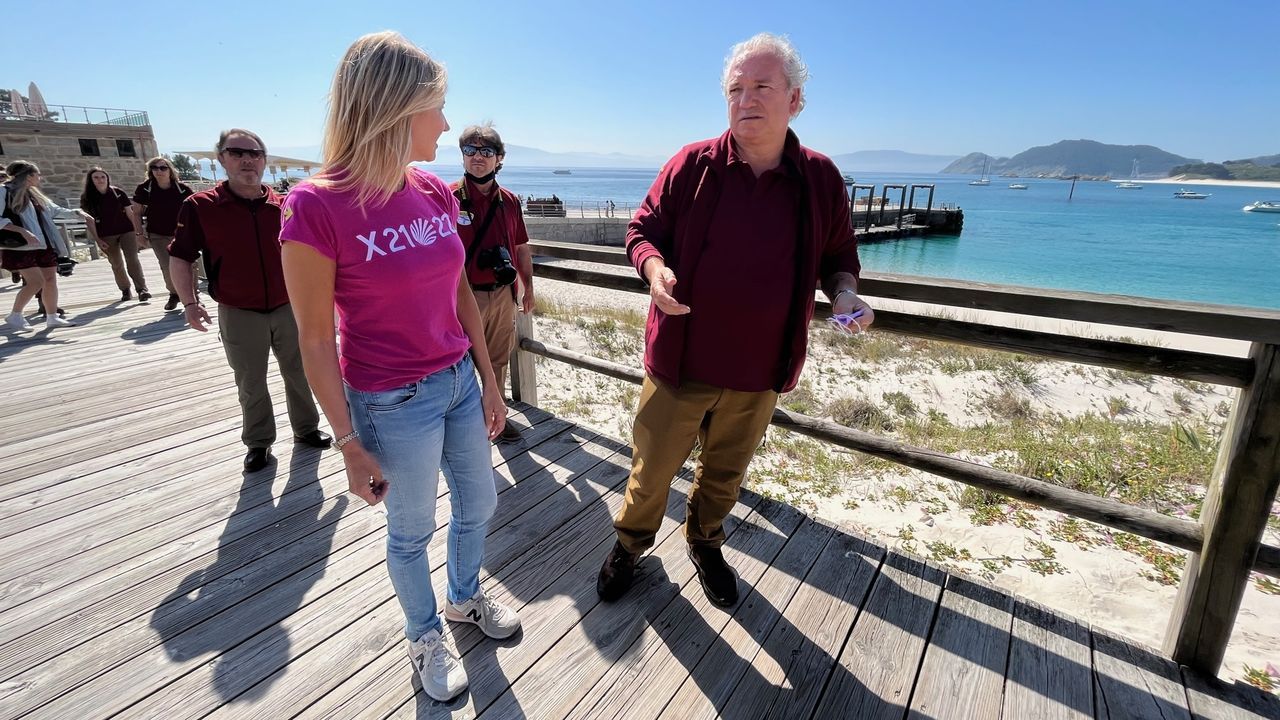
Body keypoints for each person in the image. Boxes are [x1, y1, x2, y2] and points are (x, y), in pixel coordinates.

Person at [279, 32, 520, 703]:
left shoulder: (433, 192)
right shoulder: (314, 205)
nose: (447, 124)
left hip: (457, 384)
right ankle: (424, 637)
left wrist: (489, 379)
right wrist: (348, 443)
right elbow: (313, 339)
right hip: (390, 400)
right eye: (437, 108)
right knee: (411, 530)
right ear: (395, 108)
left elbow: (460, 292)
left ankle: (462, 599)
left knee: (481, 502)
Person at [596, 33, 876, 608]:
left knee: (723, 476)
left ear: (795, 100)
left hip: (760, 370)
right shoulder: (692, 164)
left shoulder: (820, 178)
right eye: (735, 89)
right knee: (651, 472)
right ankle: (631, 543)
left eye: (762, 87)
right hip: (681, 361)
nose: (746, 99)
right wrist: (654, 272)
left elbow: (839, 256)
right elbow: (642, 231)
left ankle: (705, 542)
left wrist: (845, 294)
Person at [168, 128, 331, 472]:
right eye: (237, 152)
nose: (247, 160)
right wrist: (189, 303)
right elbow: (181, 256)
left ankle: (307, 430)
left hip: (290, 306)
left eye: (255, 154)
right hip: (238, 309)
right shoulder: (200, 207)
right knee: (250, 381)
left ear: (264, 161)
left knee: (300, 372)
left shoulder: (284, 206)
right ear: (222, 158)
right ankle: (259, 443)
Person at [451, 124, 534, 442]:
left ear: (499, 159)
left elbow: (522, 248)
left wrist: (528, 287)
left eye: (486, 151)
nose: (477, 157)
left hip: (501, 294)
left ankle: (496, 418)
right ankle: (463, 425)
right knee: (457, 361)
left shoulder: (510, 202)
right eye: (469, 150)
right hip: (460, 294)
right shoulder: (448, 197)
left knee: (497, 359)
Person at [1, 161, 89, 331]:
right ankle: (15, 315)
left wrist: (77, 213)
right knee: (36, 282)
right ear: (28, 176)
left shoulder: (34, 194)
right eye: (37, 174)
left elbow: (54, 210)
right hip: (21, 246)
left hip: (43, 243)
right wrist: (22, 231)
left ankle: (52, 316)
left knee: (49, 280)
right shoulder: (3, 191)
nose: (39, 178)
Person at [132, 157, 196, 311]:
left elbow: (194, 211)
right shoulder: (144, 189)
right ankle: (174, 293)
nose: (158, 171)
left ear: (170, 170)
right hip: (157, 233)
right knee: (167, 266)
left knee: (190, 264)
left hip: (181, 233)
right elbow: (136, 213)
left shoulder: (182, 189)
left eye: (163, 168)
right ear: (150, 171)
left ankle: (194, 296)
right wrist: (139, 234)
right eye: (154, 168)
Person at [80, 167, 150, 302]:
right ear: (91, 180)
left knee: (132, 260)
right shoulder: (87, 197)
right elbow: (89, 220)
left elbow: (130, 212)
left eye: (102, 177)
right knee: (116, 263)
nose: (100, 180)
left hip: (126, 230)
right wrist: (97, 239)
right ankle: (125, 289)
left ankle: (142, 289)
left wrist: (138, 231)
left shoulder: (118, 193)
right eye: (96, 177)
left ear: (107, 178)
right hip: (106, 234)